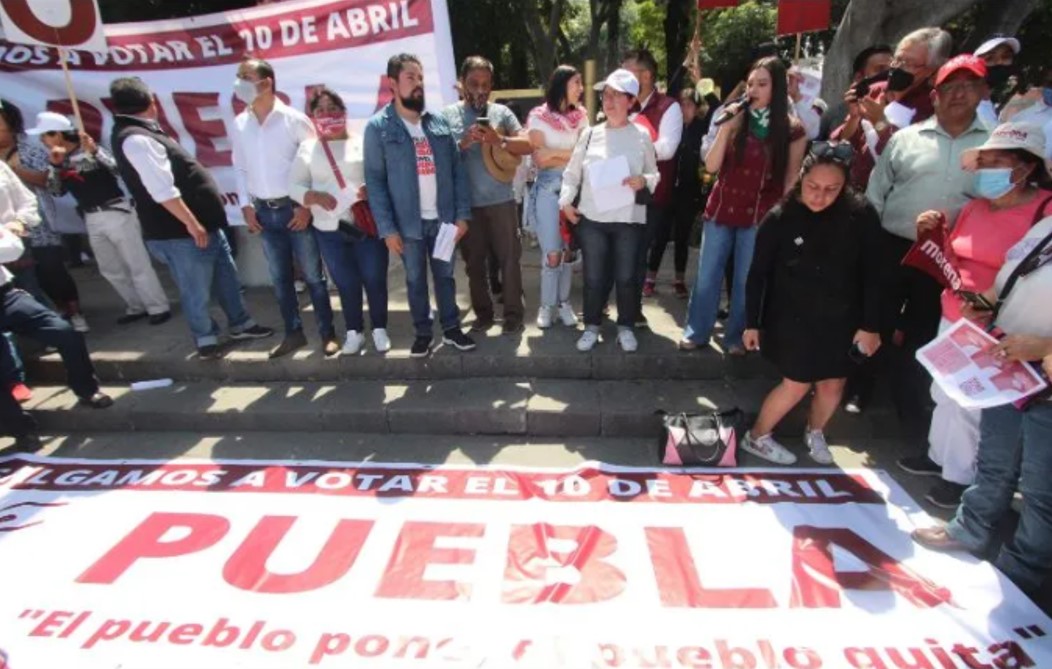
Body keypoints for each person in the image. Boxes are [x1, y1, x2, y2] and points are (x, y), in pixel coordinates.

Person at [898, 123, 1052, 509]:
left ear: (1026, 168)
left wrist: (987, 306)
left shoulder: (1044, 212)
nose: (989, 170)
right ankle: (937, 457)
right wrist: (929, 236)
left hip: (1001, 325)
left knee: (970, 402)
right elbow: (951, 258)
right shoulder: (974, 208)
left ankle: (960, 477)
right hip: (953, 314)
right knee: (942, 391)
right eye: (985, 161)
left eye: (999, 162)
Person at [911, 211, 1052, 600]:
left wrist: (1044, 347)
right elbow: (1014, 277)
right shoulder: (1045, 225)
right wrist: (984, 304)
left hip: (1045, 374)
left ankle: (1024, 568)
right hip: (1011, 364)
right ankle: (969, 528)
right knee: (994, 462)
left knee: (1042, 487)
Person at [851, 55, 991, 418]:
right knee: (874, 319)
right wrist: (869, 246)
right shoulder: (906, 139)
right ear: (935, 95)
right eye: (950, 87)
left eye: (968, 86)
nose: (959, 94)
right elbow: (877, 192)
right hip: (894, 244)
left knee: (924, 327)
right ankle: (860, 388)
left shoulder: (992, 149)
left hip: (947, 255)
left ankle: (909, 400)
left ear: (982, 92)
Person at [109, 76, 274, 359]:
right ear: (150, 102)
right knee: (194, 288)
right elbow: (162, 189)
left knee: (227, 278)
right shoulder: (136, 138)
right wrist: (191, 222)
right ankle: (205, 336)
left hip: (204, 226)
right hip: (181, 232)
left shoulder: (145, 131)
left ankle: (241, 323)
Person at [740, 142, 882, 465]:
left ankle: (815, 431)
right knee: (797, 383)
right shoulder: (780, 218)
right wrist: (752, 322)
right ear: (801, 178)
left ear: (845, 186)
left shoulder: (860, 215)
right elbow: (756, 274)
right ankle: (758, 435)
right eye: (813, 187)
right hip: (792, 317)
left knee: (834, 384)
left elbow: (876, 274)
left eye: (832, 189)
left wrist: (871, 325)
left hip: (843, 316)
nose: (820, 197)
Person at [680, 56, 808, 355]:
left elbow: (791, 179)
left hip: (760, 214)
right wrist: (727, 128)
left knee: (747, 279)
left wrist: (784, 221)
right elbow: (710, 166)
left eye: (762, 84)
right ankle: (697, 331)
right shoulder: (732, 116)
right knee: (708, 274)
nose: (753, 90)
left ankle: (737, 336)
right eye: (750, 83)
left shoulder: (793, 129)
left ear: (777, 88)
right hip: (722, 208)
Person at [364, 53, 476, 358]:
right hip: (407, 225)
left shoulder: (436, 122)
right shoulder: (378, 128)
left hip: (443, 221)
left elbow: (457, 171)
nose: (418, 84)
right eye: (410, 78)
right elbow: (374, 182)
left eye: (420, 78)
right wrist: (387, 229)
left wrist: (462, 215)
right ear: (393, 83)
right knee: (414, 280)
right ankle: (423, 334)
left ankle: (452, 329)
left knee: (446, 277)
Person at [0, 160, 112, 452]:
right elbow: (8, 247)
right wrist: (8, 238)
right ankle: (20, 430)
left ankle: (87, 389)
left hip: (5, 292)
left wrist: (18, 224)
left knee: (65, 331)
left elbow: (25, 205)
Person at [232, 57, 336, 358]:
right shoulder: (240, 124)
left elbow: (317, 166)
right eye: (239, 76)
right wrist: (245, 205)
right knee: (280, 279)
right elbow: (239, 167)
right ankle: (294, 333)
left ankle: (327, 333)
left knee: (314, 277)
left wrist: (306, 207)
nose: (239, 83)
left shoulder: (294, 120)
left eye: (246, 76)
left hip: (295, 210)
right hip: (264, 212)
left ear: (266, 83)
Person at [27, 112, 171, 327]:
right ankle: (135, 305)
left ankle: (157, 306)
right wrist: (55, 167)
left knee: (136, 262)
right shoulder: (58, 161)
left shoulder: (90, 148)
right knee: (110, 267)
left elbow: (118, 169)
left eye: (44, 136)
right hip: (91, 216)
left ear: (57, 134)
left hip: (116, 211)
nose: (42, 141)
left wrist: (95, 152)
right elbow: (56, 192)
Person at [559, 69, 658, 353]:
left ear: (631, 100)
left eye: (616, 95)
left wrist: (644, 181)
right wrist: (565, 203)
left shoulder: (641, 135)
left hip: (628, 219)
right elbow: (571, 174)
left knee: (627, 276)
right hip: (593, 220)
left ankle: (625, 326)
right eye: (606, 94)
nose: (609, 100)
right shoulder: (589, 135)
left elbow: (654, 174)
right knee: (593, 277)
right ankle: (591, 326)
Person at [290, 88, 389, 356]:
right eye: (320, 110)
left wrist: (371, 188)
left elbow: (382, 175)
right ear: (313, 117)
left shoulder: (362, 142)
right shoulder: (308, 148)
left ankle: (380, 329)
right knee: (346, 283)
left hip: (365, 227)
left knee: (374, 278)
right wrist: (312, 196)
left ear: (344, 113)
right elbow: (293, 185)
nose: (328, 114)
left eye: (333, 108)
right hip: (328, 230)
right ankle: (354, 333)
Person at [442, 56, 532, 335]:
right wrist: (463, 143)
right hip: (467, 206)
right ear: (462, 83)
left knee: (509, 260)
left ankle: (514, 315)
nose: (480, 89)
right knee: (474, 264)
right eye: (473, 83)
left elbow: (527, 144)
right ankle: (483, 315)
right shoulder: (448, 115)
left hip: (502, 202)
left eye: (486, 83)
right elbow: (439, 158)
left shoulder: (502, 114)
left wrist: (499, 139)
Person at [0, 99, 88, 332]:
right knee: (27, 278)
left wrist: (13, 170)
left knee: (52, 269)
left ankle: (75, 313)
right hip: (7, 231)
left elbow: (47, 181)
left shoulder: (28, 149)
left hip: (38, 223)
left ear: (10, 123)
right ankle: (52, 317)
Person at [832, 28, 952, 191]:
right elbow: (841, 142)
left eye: (909, 63)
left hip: (894, 198)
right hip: (851, 193)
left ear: (933, 71)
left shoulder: (935, 108)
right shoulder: (874, 91)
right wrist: (853, 118)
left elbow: (910, 160)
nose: (898, 68)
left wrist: (880, 123)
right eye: (897, 60)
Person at [621, 48, 683, 327]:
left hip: (652, 195)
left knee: (638, 252)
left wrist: (630, 150)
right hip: (620, 193)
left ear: (645, 76)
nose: (622, 78)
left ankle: (632, 310)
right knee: (623, 252)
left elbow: (667, 149)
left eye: (628, 71)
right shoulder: (624, 104)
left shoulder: (669, 107)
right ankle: (625, 307)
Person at [526, 65, 589, 329]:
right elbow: (540, 158)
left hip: (574, 189)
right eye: (577, 82)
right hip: (548, 189)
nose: (581, 88)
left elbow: (586, 153)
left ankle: (563, 303)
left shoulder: (582, 116)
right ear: (562, 84)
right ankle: (546, 305)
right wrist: (572, 153)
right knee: (551, 252)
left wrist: (556, 154)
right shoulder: (538, 115)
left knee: (566, 251)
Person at [644, 86, 705, 299]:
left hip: (689, 194)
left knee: (682, 238)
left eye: (689, 105)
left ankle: (679, 280)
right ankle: (649, 278)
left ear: (697, 109)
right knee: (659, 236)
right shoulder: (671, 128)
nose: (684, 109)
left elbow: (717, 107)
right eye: (682, 104)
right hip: (667, 190)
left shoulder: (701, 130)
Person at [819, 44, 893, 140]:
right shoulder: (837, 114)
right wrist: (854, 118)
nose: (888, 74)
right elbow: (840, 142)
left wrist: (880, 121)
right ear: (859, 77)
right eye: (880, 69)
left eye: (892, 69)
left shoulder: (907, 105)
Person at [974, 35, 1021, 126]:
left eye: (1006, 57)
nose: (999, 62)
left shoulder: (988, 105)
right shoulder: (963, 102)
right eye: (990, 58)